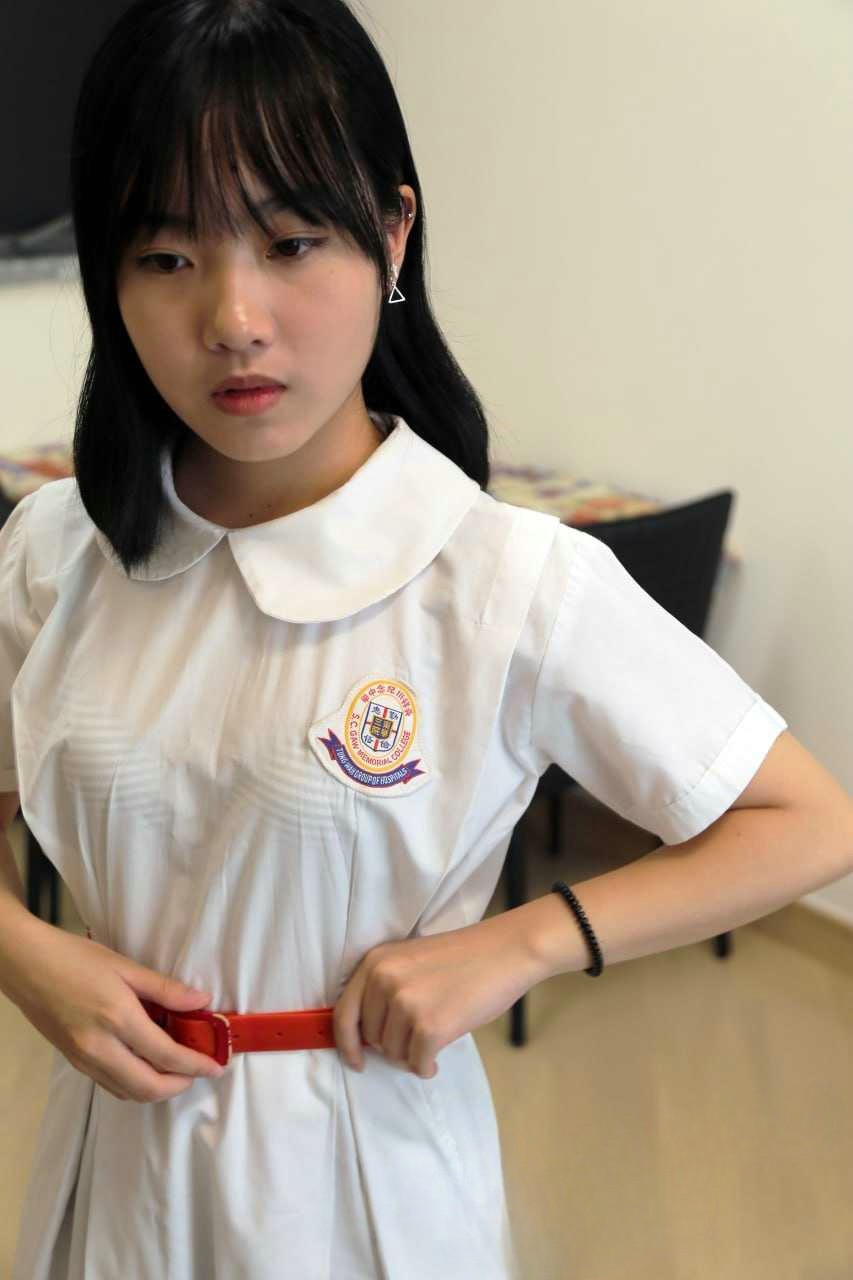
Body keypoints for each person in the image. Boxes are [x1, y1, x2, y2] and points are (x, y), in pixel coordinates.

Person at [1, 1, 851, 1277]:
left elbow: (806, 819)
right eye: (166, 256)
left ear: (391, 232)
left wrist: (521, 941)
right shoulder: (54, 547)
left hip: (361, 1190)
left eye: (291, 241)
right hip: (107, 1175)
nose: (233, 315)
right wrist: (24, 955)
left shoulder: (504, 577)